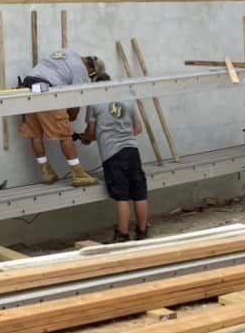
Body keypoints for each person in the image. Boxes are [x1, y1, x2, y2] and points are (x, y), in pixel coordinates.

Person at [18, 49, 105, 188]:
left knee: (35, 134)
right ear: (92, 70)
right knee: (65, 135)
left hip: (28, 86)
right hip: (47, 91)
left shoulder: (69, 52)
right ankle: (78, 175)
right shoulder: (82, 71)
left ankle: (46, 173)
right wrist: (70, 117)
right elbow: (76, 98)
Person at [79, 73, 149, 241]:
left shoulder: (94, 102)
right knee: (139, 193)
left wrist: (85, 138)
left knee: (121, 195)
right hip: (132, 151)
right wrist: (122, 133)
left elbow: (90, 133)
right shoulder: (128, 100)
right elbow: (138, 128)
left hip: (113, 154)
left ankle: (123, 234)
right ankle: (142, 231)